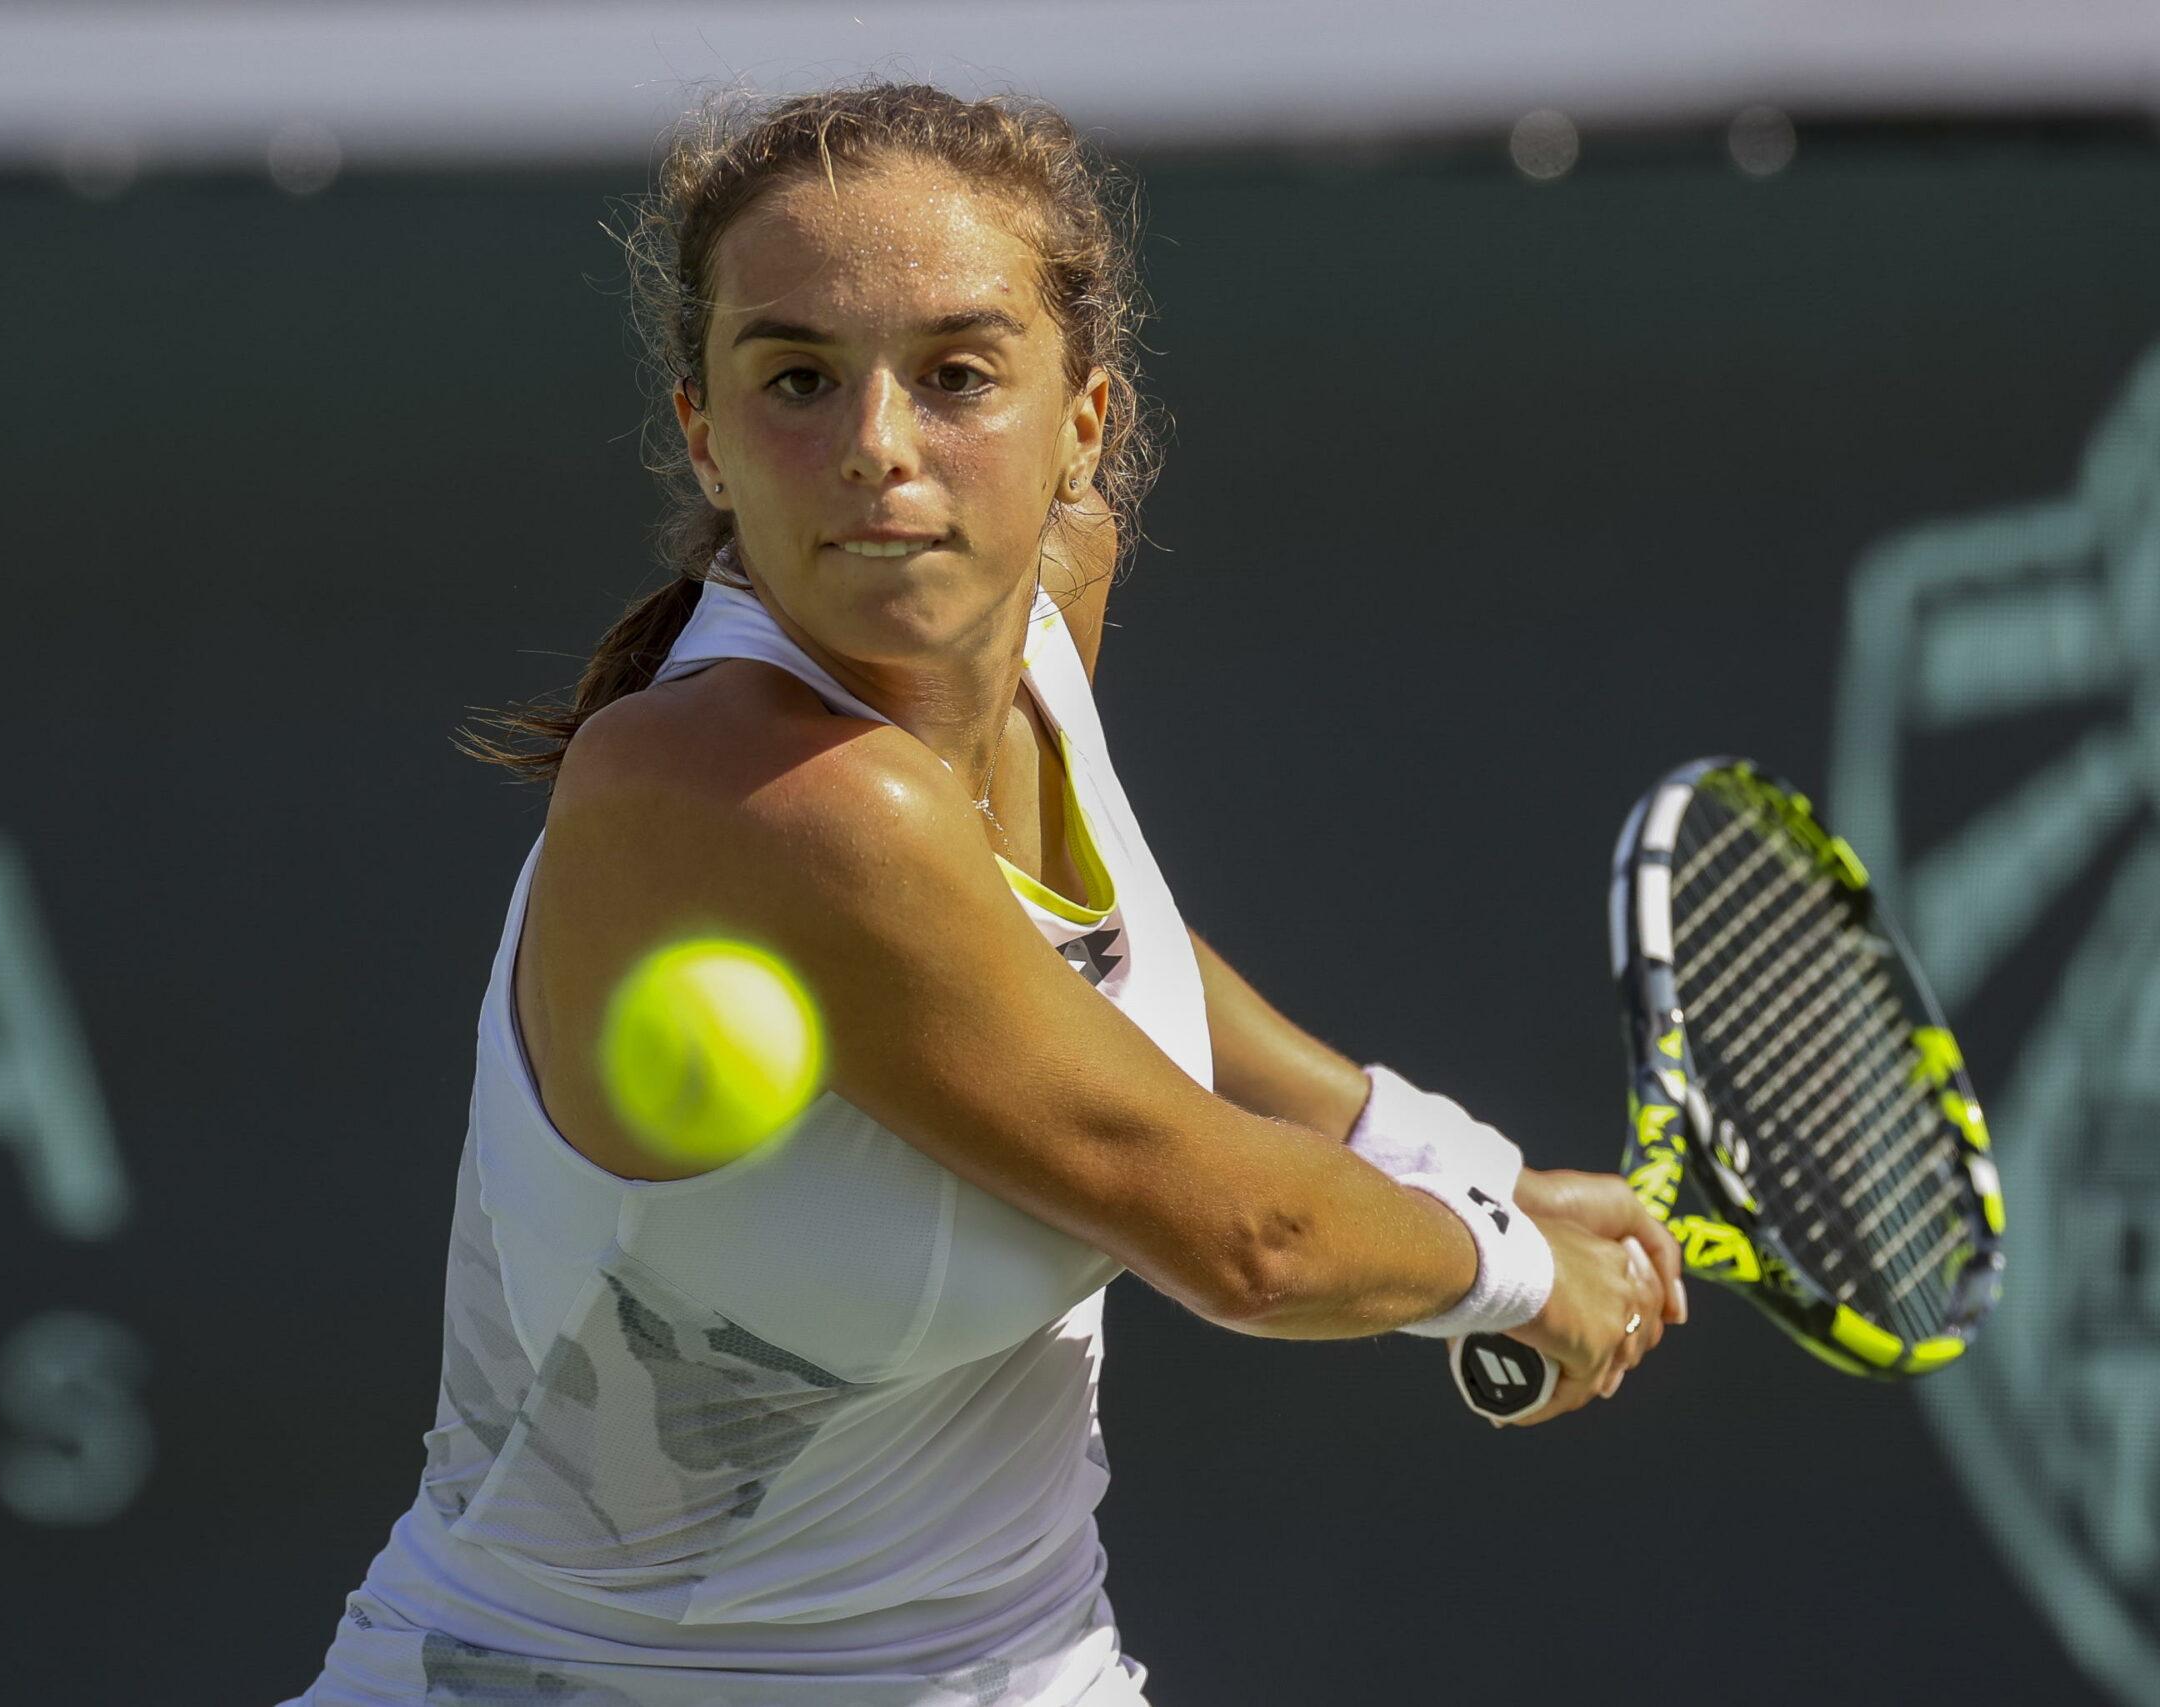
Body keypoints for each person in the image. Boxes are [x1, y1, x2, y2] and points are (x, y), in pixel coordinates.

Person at [284, 80, 1682, 1707]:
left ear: (1080, 420)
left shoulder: (1037, 606)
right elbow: (1251, 1242)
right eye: (797, 379)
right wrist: (1511, 1272)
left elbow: (1079, 958)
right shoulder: (752, 793)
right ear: (705, 435)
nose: (881, 450)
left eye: (957, 376)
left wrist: (1428, 1149)